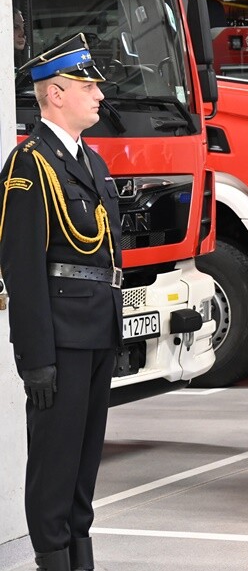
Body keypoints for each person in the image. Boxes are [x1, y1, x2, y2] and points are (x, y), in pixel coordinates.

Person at [0, 34, 121, 571]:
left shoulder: (91, 164)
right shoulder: (30, 164)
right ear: (55, 93)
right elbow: (22, 268)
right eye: (88, 85)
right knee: (54, 460)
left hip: (96, 330)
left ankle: (80, 555)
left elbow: (107, 259)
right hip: (60, 335)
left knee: (84, 458)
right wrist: (36, 358)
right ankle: (52, 558)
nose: (99, 95)